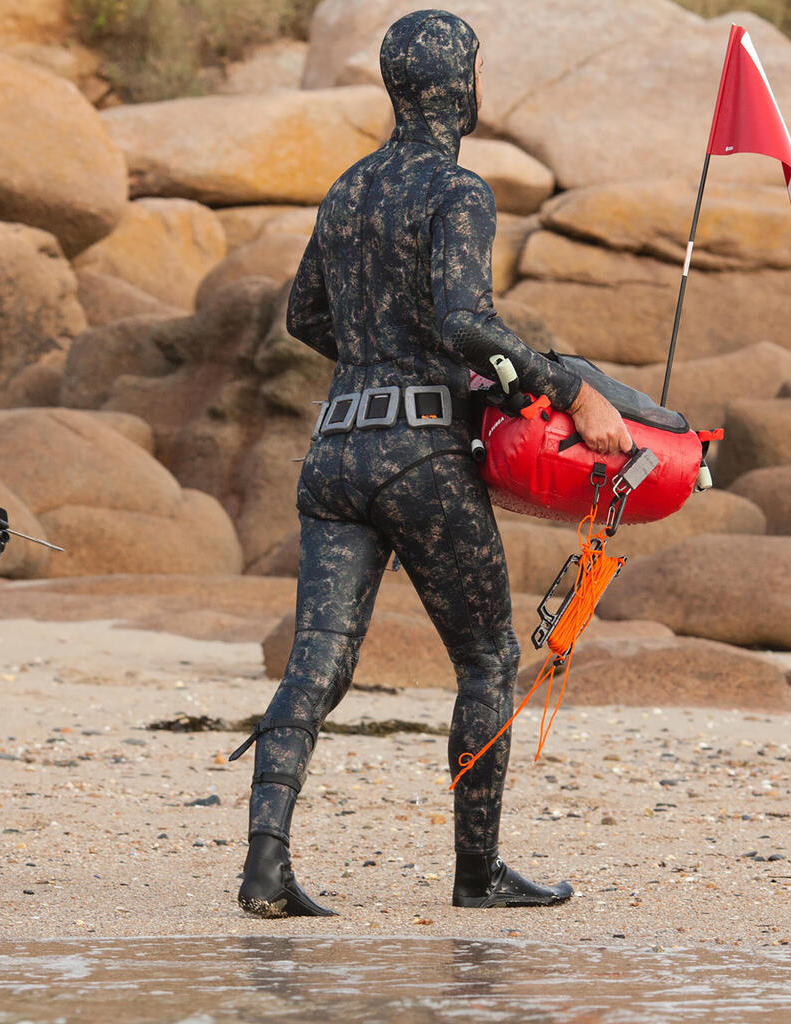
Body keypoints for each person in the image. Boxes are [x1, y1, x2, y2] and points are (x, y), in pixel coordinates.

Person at [230, 10, 632, 916]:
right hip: (418, 457)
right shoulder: (458, 189)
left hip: (333, 450)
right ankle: (477, 874)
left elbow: (304, 318)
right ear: (466, 81)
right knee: (487, 660)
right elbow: (464, 322)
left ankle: (265, 868)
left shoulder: (347, 189)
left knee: (316, 663)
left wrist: (377, 355)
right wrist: (566, 391)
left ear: (394, 84)